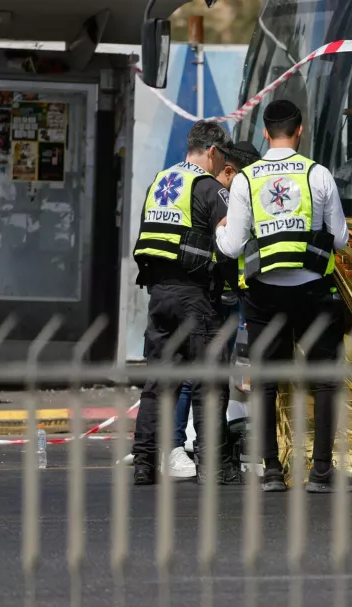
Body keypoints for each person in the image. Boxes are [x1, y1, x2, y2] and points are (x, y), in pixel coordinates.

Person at [216, 99, 352, 494]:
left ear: (265, 133)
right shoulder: (318, 174)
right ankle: (321, 473)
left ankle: (270, 472)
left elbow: (232, 247)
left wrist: (219, 229)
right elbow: (341, 240)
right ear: (300, 131)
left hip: (263, 294)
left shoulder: (246, 179)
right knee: (325, 380)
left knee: (266, 381)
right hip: (315, 290)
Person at [131, 120, 239, 486]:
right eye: (223, 155)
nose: (223, 162)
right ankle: (211, 465)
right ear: (212, 151)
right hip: (196, 297)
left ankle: (144, 463)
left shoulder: (160, 182)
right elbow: (228, 245)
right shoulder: (209, 188)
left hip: (159, 296)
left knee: (158, 383)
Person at [170, 140, 262, 478]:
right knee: (199, 376)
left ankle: (204, 449)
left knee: (212, 377)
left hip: (224, 299)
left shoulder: (217, 194)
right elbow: (225, 249)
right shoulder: (216, 196)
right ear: (230, 171)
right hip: (214, 300)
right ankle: (184, 448)